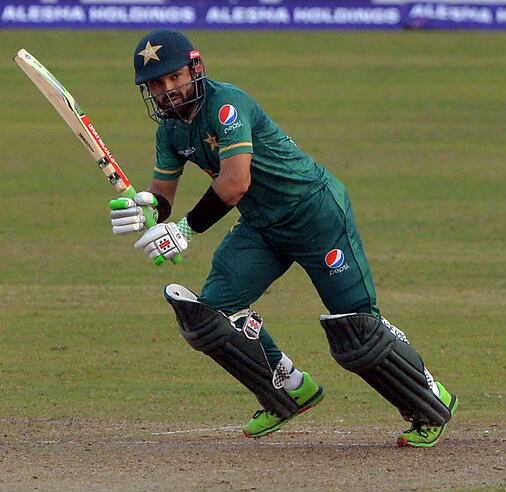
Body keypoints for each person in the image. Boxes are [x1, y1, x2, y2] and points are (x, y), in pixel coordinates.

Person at [109, 29, 457, 448]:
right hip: (262, 226)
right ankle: (288, 387)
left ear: (195, 69)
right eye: (157, 84)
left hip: (315, 214)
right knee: (211, 316)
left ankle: (429, 400)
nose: (168, 90)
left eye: (175, 77)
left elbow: (235, 182)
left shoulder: (226, 105)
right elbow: (163, 196)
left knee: (357, 331)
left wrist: (183, 230)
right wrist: (146, 208)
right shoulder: (170, 132)